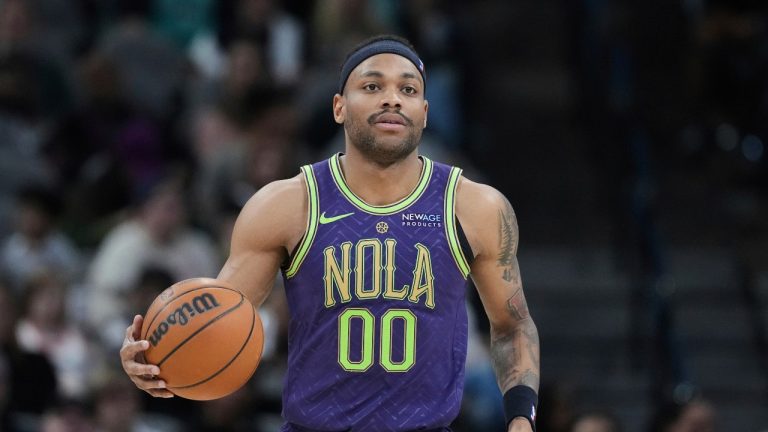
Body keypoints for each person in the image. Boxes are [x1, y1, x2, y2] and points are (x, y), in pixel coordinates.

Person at [120, 34, 541, 432]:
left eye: (409, 89)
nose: (393, 97)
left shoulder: (475, 207)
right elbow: (219, 319)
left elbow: (511, 325)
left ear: (425, 113)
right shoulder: (285, 205)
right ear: (339, 106)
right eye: (372, 86)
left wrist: (522, 415)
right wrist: (156, 361)